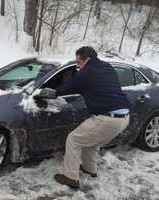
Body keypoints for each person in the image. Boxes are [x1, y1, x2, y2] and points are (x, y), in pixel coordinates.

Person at [52, 46, 131, 189]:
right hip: (123, 118)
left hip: (107, 118)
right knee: (92, 142)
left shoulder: (86, 73)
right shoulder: (107, 67)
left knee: (74, 140)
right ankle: (89, 169)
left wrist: (52, 92)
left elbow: (68, 88)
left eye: (79, 62)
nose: (77, 66)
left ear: (87, 59)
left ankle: (70, 177)